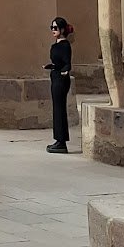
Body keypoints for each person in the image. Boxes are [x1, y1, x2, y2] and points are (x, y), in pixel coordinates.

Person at [46, 17, 73, 153]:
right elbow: (58, 62)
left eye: (55, 28)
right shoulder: (56, 45)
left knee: (60, 109)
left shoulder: (65, 45)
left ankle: (61, 142)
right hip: (55, 77)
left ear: (62, 29)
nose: (53, 30)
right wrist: (50, 66)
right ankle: (58, 140)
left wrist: (65, 70)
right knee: (57, 108)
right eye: (51, 27)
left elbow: (67, 62)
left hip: (61, 80)